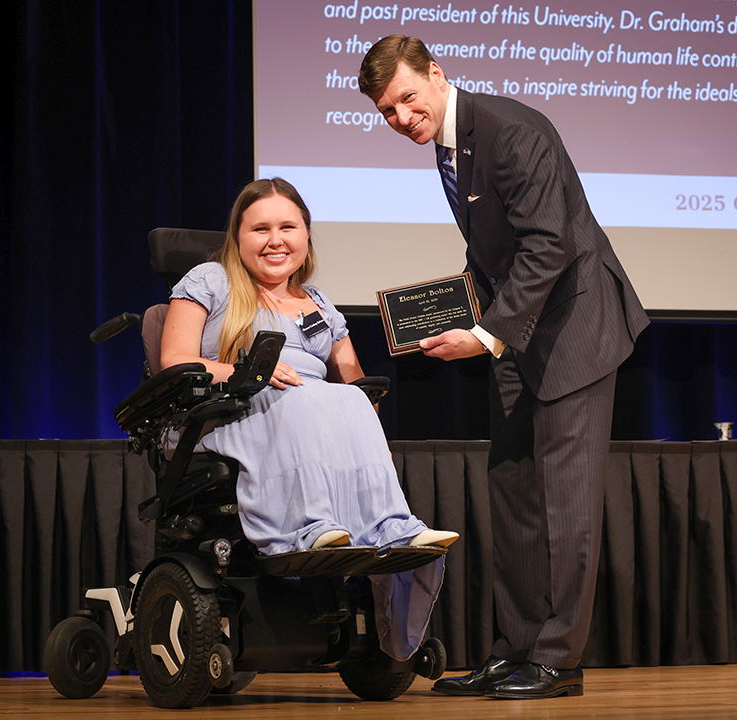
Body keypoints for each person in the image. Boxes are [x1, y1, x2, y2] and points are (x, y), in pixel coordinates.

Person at [358, 36, 650, 698]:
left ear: (436, 75)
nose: (401, 117)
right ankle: (514, 650)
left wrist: (486, 334)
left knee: (566, 503)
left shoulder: (510, 132)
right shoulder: (450, 145)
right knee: (515, 492)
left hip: (574, 331)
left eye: (406, 98)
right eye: (387, 112)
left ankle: (557, 659)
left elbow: (550, 245)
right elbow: (493, 253)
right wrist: (449, 314)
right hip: (522, 338)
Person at [158, 176, 457, 661]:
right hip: (227, 413)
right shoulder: (210, 281)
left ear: (307, 235)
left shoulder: (318, 303)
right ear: (238, 237)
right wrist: (244, 370)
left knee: (351, 400)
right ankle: (306, 527)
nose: (275, 240)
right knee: (304, 398)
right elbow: (176, 360)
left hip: (307, 414)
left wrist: (382, 400)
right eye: (260, 229)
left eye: (287, 227)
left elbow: (353, 379)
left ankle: (390, 528)